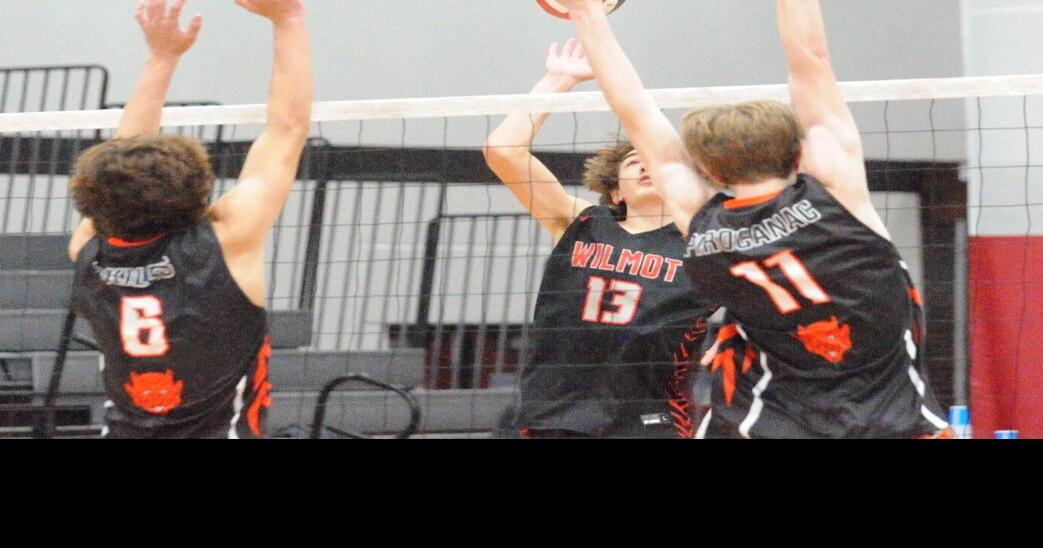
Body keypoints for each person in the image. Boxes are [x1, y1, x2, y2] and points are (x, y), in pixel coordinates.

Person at [557, 0, 949, 438]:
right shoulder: (835, 195)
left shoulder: (704, 226)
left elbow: (635, 111)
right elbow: (811, 60)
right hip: (892, 422)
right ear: (798, 155)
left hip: (774, 425)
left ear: (712, 172)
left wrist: (587, 14)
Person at [68, 0, 313, 438]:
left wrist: (161, 58)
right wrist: (289, 18)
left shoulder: (88, 251)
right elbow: (287, 129)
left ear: (95, 198)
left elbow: (121, 162)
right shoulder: (225, 242)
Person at [483, 39, 713, 438]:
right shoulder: (582, 222)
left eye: (655, 158)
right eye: (633, 160)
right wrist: (557, 81)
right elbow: (502, 151)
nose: (645, 164)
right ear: (616, 190)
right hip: (555, 415)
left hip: (646, 421)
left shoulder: (706, 242)